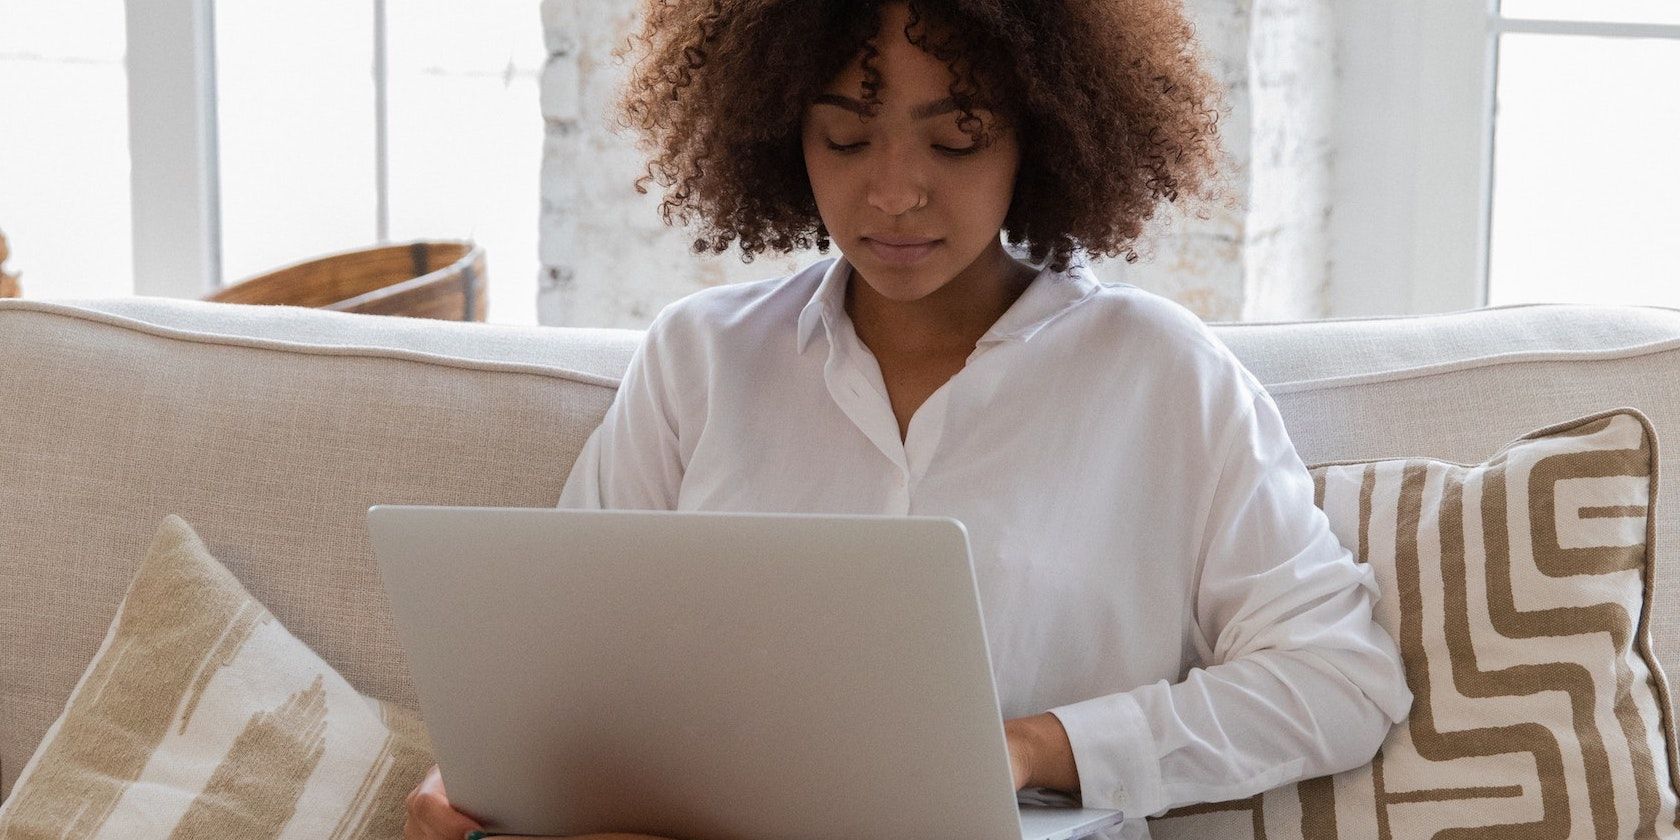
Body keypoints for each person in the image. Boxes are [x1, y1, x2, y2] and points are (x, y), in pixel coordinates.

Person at [405, 1, 1412, 838]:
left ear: (1043, 133)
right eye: (846, 135)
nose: (894, 191)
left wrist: (1035, 746)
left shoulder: (1162, 377)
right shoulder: (702, 361)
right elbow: (564, 662)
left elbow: (1341, 680)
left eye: (957, 137)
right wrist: (489, 783)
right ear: (781, 130)